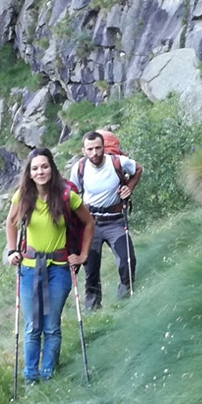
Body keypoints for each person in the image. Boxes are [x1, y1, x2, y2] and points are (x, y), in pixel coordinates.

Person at [6, 148, 94, 383]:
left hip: (59, 269)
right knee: (33, 325)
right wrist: (12, 250)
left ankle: (47, 375)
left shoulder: (66, 195)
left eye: (44, 166)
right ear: (30, 173)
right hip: (28, 268)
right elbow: (11, 223)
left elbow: (88, 222)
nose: (40, 171)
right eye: (35, 168)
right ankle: (30, 377)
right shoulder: (22, 196)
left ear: (52, 168)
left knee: (51, 326)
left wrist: (83, 255)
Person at [69, 131, 142, 310]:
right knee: (91, 270)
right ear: (84, 150)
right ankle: (93, 310)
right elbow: (71, 194)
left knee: (127, 260)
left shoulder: (117, 162)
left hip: (115, 221)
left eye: (98, 148)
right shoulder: (79, 168)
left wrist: (129, 188)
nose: (95, 153)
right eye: (90, 149)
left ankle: (125, 301)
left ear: (103, 147)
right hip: (90, 224)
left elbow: (138, 169)